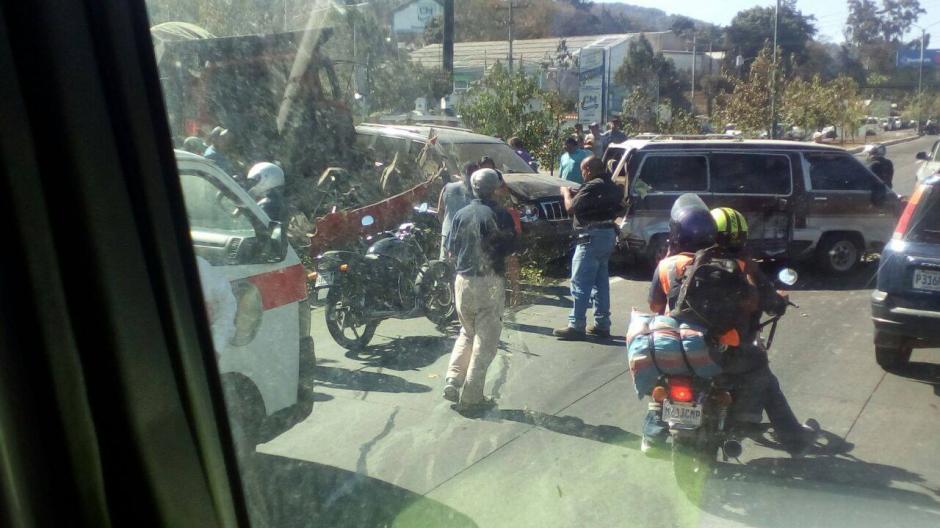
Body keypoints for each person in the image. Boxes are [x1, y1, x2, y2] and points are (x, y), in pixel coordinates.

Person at [709, 207, 817, 456]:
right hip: (734, 352)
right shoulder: (745, 267)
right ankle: (795, 440)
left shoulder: (693, 262)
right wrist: (780, 300)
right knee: (765, 378)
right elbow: (771, 302)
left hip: (696, 348)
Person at [442, 169, 518, 413]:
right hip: (489, 282)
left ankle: (453, 379)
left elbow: (451, 250)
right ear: (495, 189)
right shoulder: (501, 215)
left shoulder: (461, 214)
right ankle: (472, 398)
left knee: (467, 331)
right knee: (485, 343)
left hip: (462, 281)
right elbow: (511, 252)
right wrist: (514, 286)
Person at [553, 157, 624, 340]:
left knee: (580, 283)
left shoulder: (591, 186)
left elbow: (571, 208)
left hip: (590, 237)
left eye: (583, 170)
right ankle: (602, 324)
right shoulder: (613, 186)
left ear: (588, 169)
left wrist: (566, 194)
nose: (582, 174)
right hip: (607, 234)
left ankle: (576, 325)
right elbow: (620, 209)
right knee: (600, 283)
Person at [437, 162, 476, 260]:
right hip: (465, 238)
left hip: (447, 233)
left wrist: (446, 226)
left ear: (461, 173)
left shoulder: (447, 187)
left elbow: (439, 211)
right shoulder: (476, 192)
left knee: (444, 267)